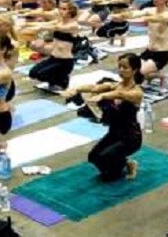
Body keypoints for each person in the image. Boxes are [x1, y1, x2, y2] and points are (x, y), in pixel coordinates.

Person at [61, 53, 143, 181]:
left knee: (108, 165)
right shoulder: (114, 85)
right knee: (93, 157)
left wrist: (103, 96)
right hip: (114, 133)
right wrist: (76, 89)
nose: (121, 70)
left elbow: (120, 94)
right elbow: (94, 87)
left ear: (135, 70)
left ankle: (124, 166)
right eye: (119, 67)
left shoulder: (137, 92)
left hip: (131, 138)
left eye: (125, 67)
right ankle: (127, 163)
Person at [112, 0, 168, 92]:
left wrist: (130, 20)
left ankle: (161, 76)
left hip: (161, 54)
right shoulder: (150, 10)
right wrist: (123, 15)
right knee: (129, 70)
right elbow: (136, 13)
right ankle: (156, 75)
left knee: (137, 75)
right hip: (148, 51)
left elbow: (156, 18)